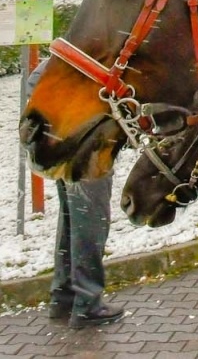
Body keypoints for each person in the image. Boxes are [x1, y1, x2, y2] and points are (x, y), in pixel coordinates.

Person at [28, 59, 125, 329]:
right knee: (90, 224)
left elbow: (35, 84)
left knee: (72, 220)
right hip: (85, 146)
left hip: (64, 142)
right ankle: (88, 304)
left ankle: (64, 297)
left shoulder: (69, 57)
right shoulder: (97, 56)